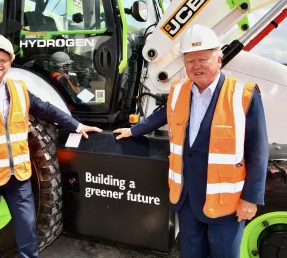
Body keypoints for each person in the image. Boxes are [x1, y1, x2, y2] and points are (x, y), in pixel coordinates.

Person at [113, 24, 269, 258]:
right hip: (187, 199)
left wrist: (250, 199)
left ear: (218, 59)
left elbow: (258, 150)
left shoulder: (243, 94)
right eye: (190, 61)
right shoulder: (179, 90)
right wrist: (135, 131)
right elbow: (162, 114)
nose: (196, 66)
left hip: (226, 204)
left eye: (203, 59)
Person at [0, 35, 102, 258]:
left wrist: (77, 125)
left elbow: (47, 109)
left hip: (18, 178)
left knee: (28, 231)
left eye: (4, 60)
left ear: (10, 63)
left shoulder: (18, 89)